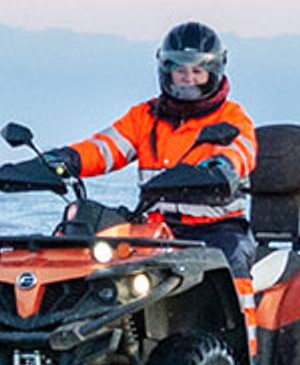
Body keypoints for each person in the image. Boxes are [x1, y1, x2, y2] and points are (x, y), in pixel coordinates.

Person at [21, 21, 262, 271]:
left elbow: (241, 150)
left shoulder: (231, 118)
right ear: (167, 71)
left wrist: (221, 167)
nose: (188, 79)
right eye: (180, 71)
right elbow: (105, 148)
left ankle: (244, 311)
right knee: (94, 257)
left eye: (197, 72)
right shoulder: (145, 116)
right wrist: (66, 159)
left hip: (215, 227)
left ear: (213, 72)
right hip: (154, 228)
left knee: (230, 259)